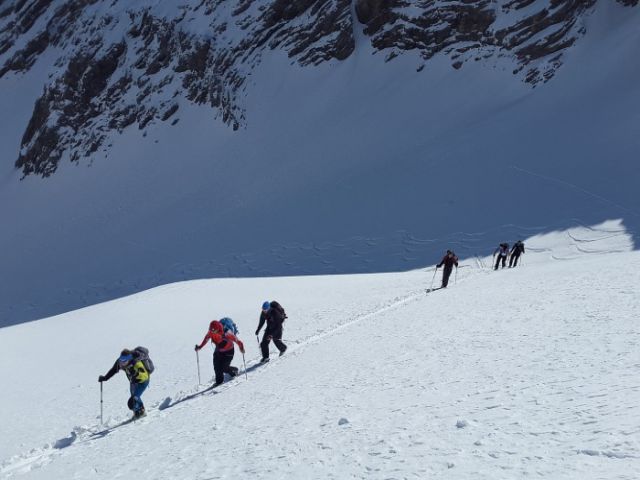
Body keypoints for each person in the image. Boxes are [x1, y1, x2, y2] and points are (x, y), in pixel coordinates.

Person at [99, 348, 151, 419]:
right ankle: (138, 411)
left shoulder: (136, 363)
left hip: (143, 382)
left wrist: (136, 374)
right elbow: (114, 370)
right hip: (133, 381)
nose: (122, 363)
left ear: (129, 359)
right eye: (121, 361)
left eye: (124, 361)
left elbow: (144, 376)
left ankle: (140, 412)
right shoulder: (120, 362)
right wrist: (105, 378)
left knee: (134, 399)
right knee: (134, 397)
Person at [195, 320, 245, 386]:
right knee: (216, 366)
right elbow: (206, 338)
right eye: (211, 330)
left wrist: (241, 348)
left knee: (224, 368)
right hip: (218, 350)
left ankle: (234, 371)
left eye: (214, 330)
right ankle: (219, 382)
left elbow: (238, 341)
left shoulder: (227, 333)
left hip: (229, 351)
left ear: (218, 329)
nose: (213, 332)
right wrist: (200, 347)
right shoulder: (211, 332)